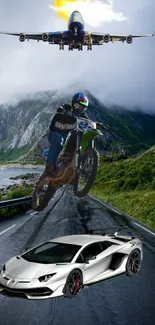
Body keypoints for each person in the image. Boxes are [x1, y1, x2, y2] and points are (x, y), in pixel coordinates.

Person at [43, 92, 104, 177]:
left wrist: (96, 124)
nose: (79, 109)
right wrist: (61, 109)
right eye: (78, 106)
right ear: (73, 103)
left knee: (76, 139)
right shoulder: (67, 107)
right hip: (55, 133)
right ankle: (49, 167)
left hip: (68, 135)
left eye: (82, 108)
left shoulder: (82, 116)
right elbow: (61, 107)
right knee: (59, 140)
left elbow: (88, 122)